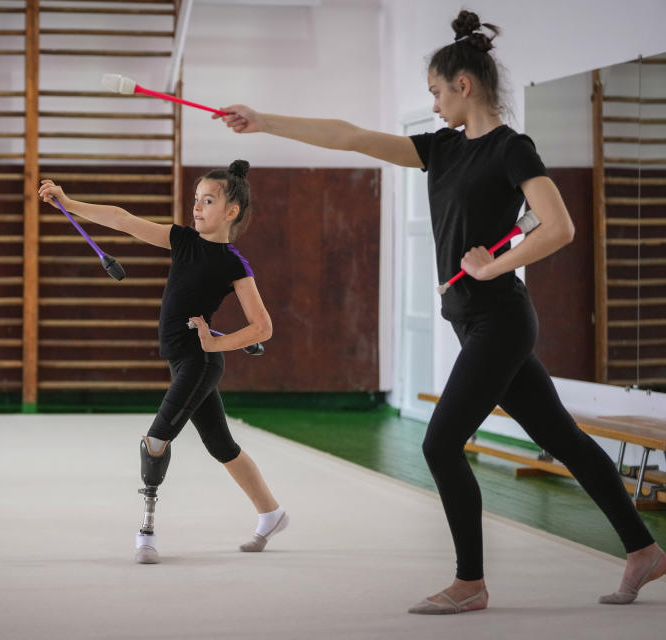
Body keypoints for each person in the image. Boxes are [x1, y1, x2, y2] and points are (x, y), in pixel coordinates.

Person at [215, 9, 665, 614]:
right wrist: (265, 121)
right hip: (474, 321)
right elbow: (349, 135)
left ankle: (470, 582)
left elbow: (559, 227)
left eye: (435, 91)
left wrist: (494, 266)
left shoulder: (513, 149)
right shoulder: (442, 149)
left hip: (501, 319)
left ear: (464, 84)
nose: (432, 104)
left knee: (439, 444)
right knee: (564, 438)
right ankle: (643, 550)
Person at [38, 160, 289, 564]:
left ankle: (147, 533)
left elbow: (262, 327)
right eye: (196, 200)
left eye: (208, 201)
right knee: (222, 446)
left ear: (231, 212)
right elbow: (122, 219)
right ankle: (271, 513)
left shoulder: (234, 264)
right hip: (184, 362)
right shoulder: (183, 241)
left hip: (199, 364)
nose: (197, 207)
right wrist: (68, 202)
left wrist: (213, 344)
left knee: (155, 442)